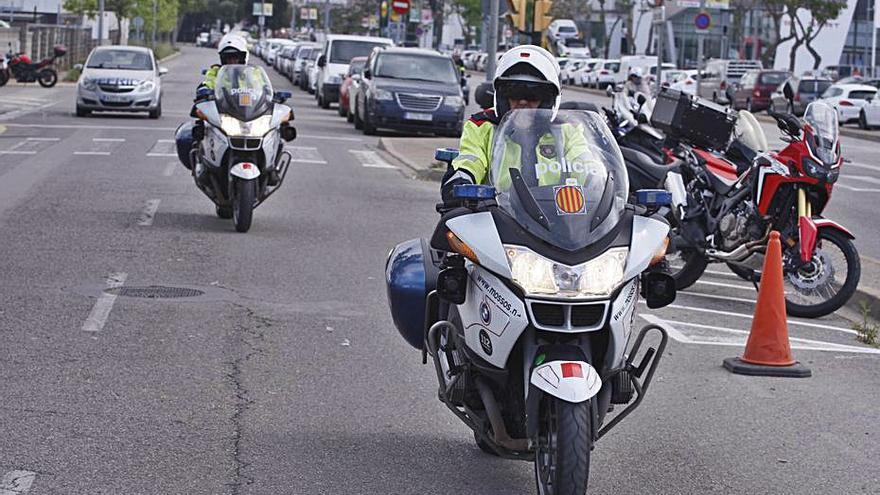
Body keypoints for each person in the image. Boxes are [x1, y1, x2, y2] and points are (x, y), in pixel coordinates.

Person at [442, 44, 595, 201]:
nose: (522, 101)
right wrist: (461, 178)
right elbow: (471, 158)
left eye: (532, 94)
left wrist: (598, 182)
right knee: (449, 223)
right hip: (494, 215)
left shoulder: (566, 130)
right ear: (502, 96)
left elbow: (584, 162)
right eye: (514, 92)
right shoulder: (483, 126)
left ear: (548, 100)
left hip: (557, 218)